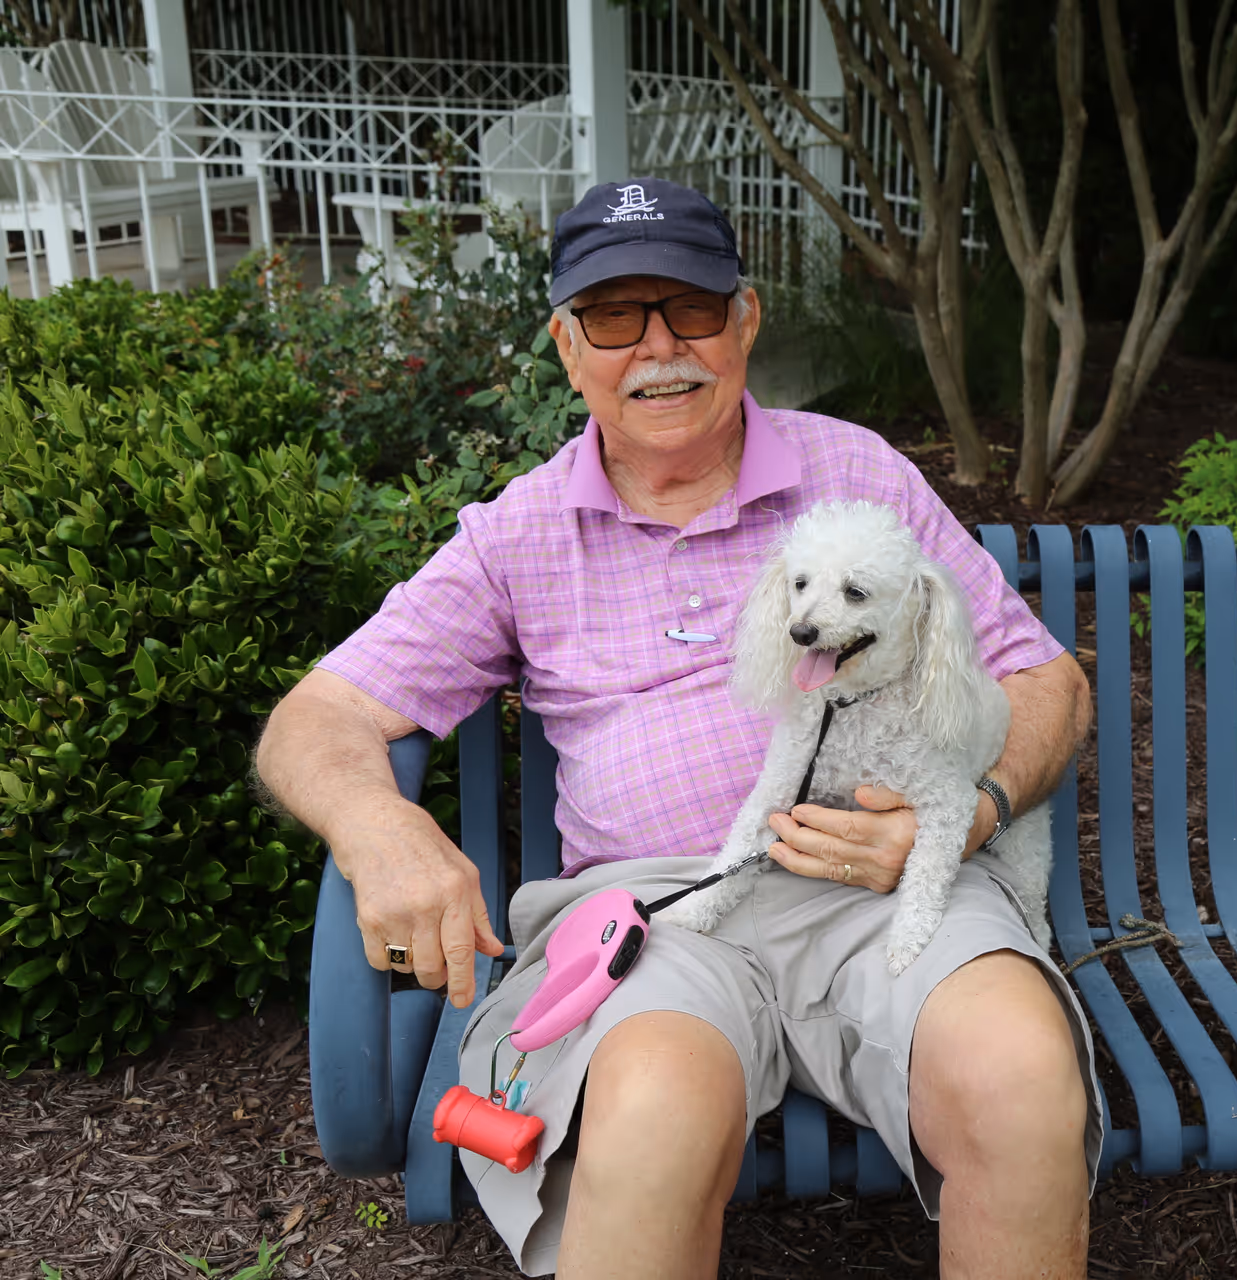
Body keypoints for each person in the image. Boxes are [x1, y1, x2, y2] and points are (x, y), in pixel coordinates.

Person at [255, 177, 1100, 1279]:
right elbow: (317, 715)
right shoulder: (520, 535)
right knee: (652, 1112)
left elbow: (1045, 679)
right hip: (664, 918)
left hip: (883, 885)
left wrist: (976, 812)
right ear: (568, 346)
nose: (660, 346)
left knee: (1021, 1076)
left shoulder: (853, 474)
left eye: (691, 308)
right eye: (614, 316)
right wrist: (380, 827)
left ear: (743, 321)